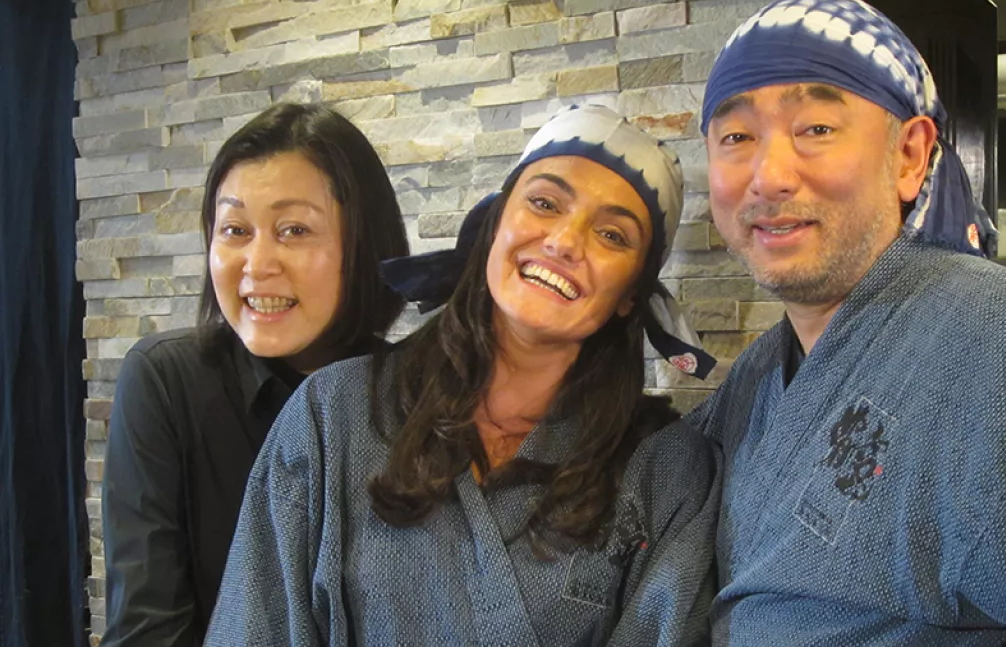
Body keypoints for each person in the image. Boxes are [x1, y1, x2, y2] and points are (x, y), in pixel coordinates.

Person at [689, 0, 1006, 646]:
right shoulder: (758, 376)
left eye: (815, 128)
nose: (769, 175)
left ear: (909, 155)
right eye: (736, 137)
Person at [203, 105, 720, 647]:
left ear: (631, 293)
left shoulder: (668, 473)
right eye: (545, 203)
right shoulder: (331, 414)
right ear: (494, 226)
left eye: (612, 235)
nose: (565, 242)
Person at [101, 103, 410, 646]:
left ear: (364, 245)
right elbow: (148, 629)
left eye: (294, 230)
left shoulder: (411, 396)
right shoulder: (166, 382)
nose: (257, 263)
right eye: (235, 229)